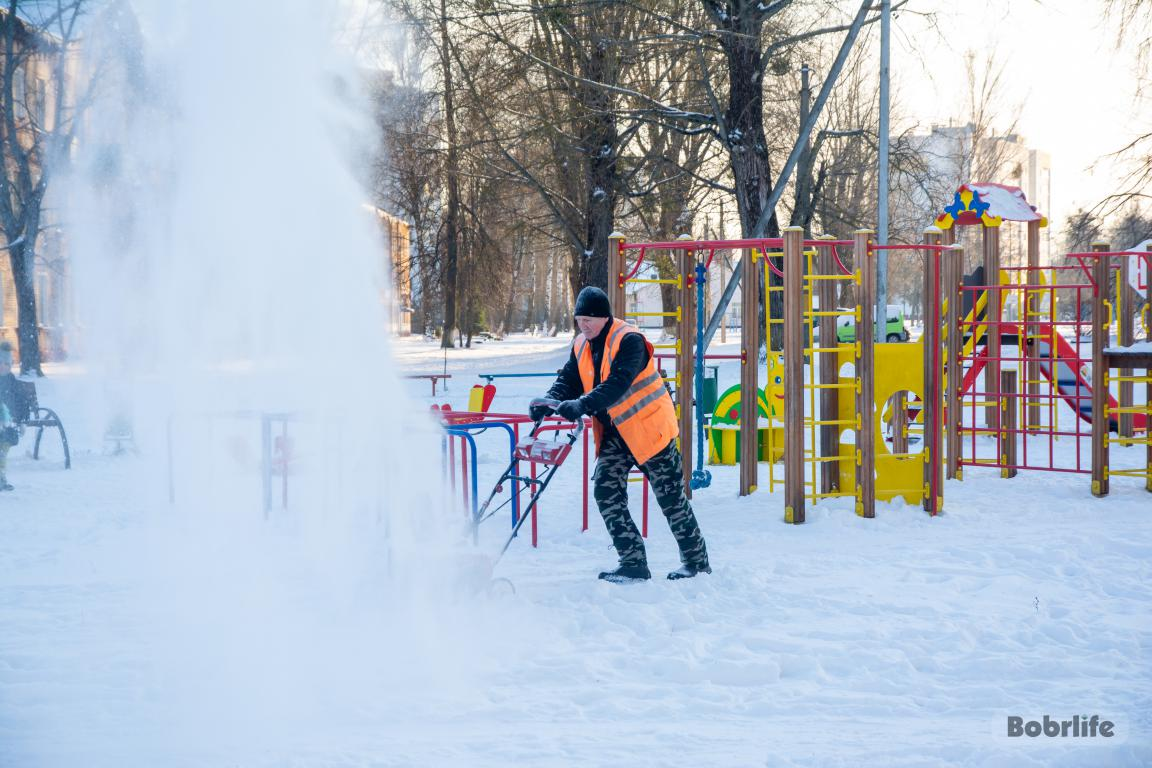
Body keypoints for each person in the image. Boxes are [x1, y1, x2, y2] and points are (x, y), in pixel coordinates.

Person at [532, 286, 710, 583]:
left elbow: (617, 384)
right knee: (606, 490)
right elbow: (569, 379)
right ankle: (633, 562)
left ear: (604, 317)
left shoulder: (629, 341)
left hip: (651, 431)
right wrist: (549, 401)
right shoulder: (581, 345)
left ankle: (696, 562)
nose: (583, 325)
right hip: (617, 433)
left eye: (588, 319)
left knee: (671, 499)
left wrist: (582, 404)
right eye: (579, 319)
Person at [0, 342, 23, 491]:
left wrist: (20, 420)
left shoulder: (11, 381)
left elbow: (20, 402)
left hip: (7, 424)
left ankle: (1, 476)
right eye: (0, 363)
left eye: (6, 364)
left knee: (3, 449)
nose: (3, 366)